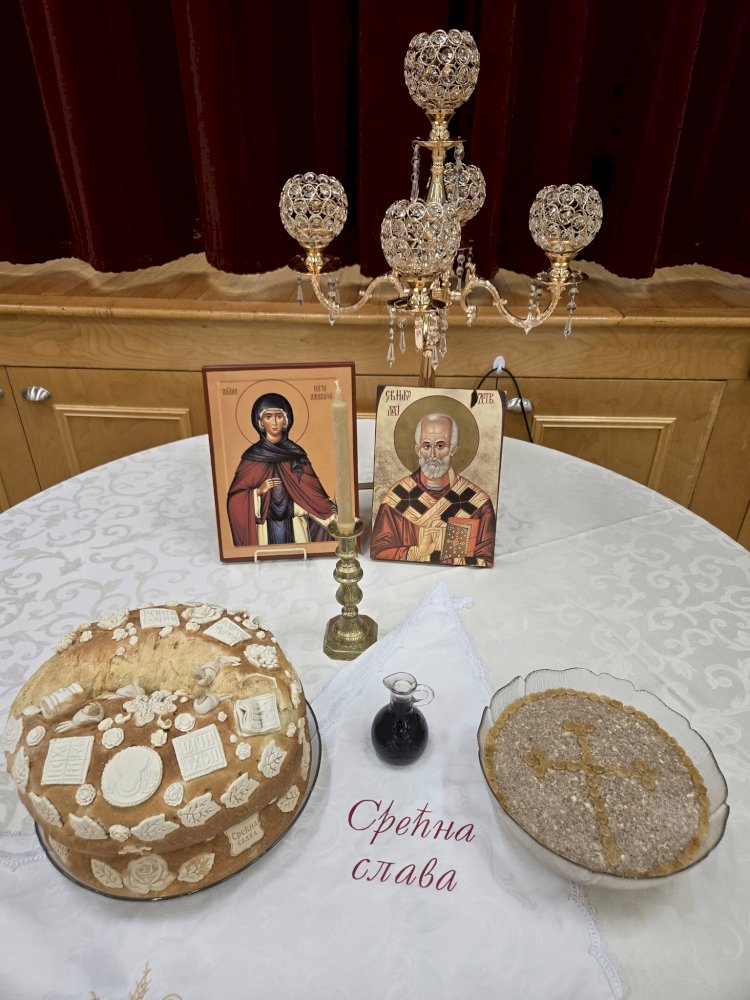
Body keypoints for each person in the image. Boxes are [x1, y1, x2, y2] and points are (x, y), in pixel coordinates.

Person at [370, 412, 496, 567]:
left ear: (453, 449)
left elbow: (484, 559)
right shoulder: (398, 498)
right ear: (418, 449)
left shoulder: (477, 503)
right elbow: (379, 551)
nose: (432, 454)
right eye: (426, 446)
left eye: (440, 446)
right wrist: (417, 553)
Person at [227, 392, 336, 547]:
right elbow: (234, 500)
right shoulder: (252, 457)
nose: (274, 422)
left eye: (279, 416)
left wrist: (331, 512)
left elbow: (313, 495)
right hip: (265, 529)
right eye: (268, 416)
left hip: (296, 524)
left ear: (286, 421)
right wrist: (258, 492)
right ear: (260, 422)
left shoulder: (296, 455)